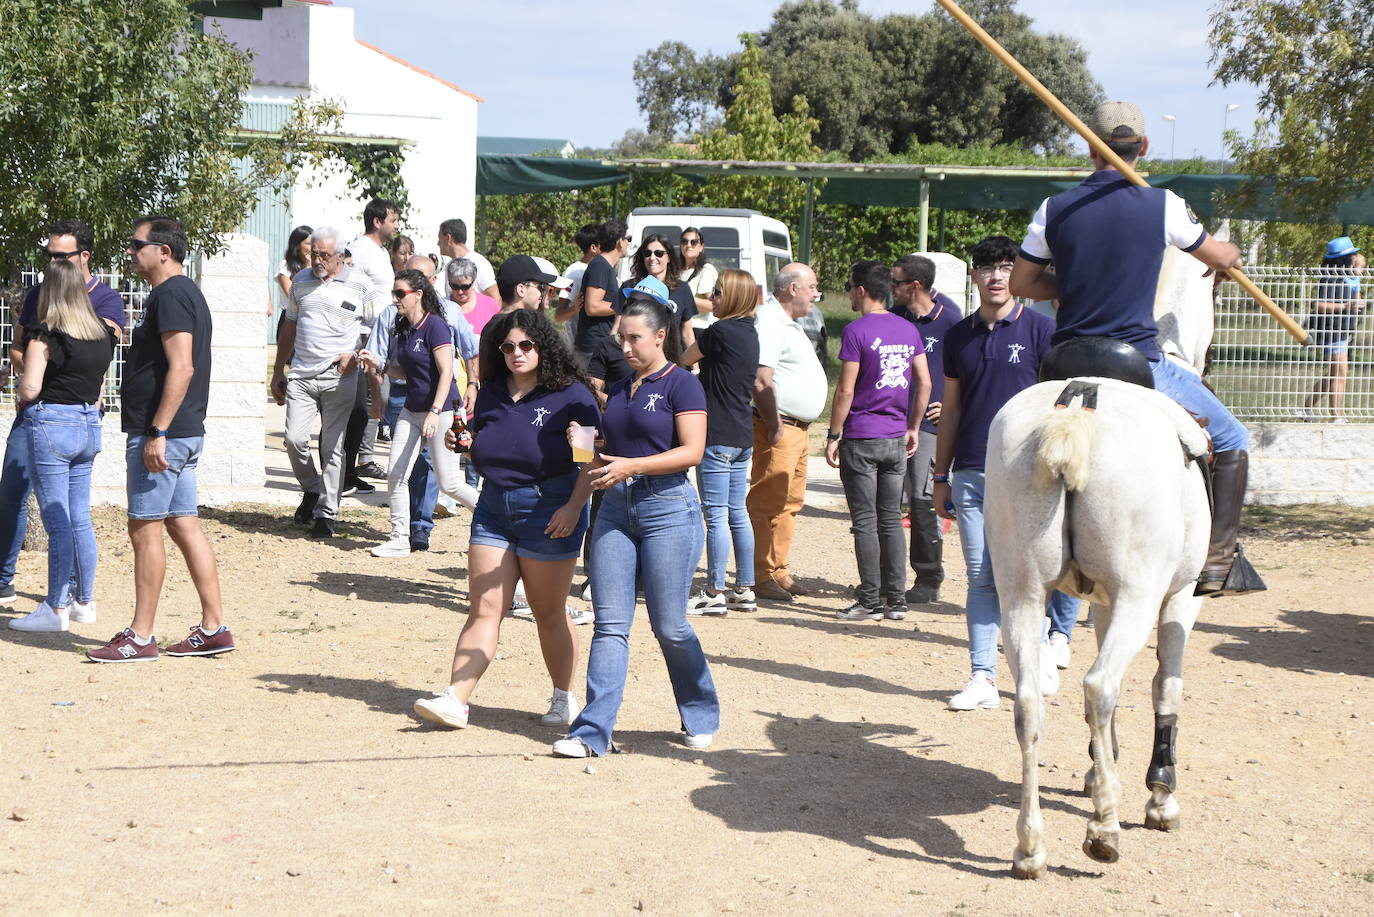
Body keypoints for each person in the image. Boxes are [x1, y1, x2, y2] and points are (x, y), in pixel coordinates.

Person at [1010, 100, 1259, 597]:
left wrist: (1070, 284)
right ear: (1143, 147)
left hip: (1066, 360)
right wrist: (1229, 255)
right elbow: (1215, 253)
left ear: (1089, 146)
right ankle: (1218, 560)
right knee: (1232, 439)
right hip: (1137, 361)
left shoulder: (1055, 208)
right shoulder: (1161, 203)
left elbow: (1021, 282)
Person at [413, 310, 599, 730]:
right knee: (484, 609)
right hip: (494, 506)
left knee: (547, 611)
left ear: (543, 346)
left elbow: (588, 461)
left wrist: (573, 507)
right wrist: (464, 443)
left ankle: (563, 698)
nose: (517, 353)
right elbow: (486, 442)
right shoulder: (494, 392)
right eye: (509, 347)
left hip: (550, 507)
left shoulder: (573, 396)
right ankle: (456, 699)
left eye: (526, 345)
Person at [551, 294, 719, 758]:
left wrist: (632, 467)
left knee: (670, 626)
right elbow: (599, 456)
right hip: (614, 512)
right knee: (610, 626)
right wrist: (580, 458)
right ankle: (591, 733)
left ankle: (700, 711)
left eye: (634, 338)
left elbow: (692, 453)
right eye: (621, 337)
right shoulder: (623, 388)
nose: (624, 346)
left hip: (669, 509)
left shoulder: (682, 384)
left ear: (661, 336)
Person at [933, 235, 1073, 707]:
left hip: (1027, 474)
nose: (996, 276)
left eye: (1005, 267)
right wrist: (940, 475)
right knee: (980, 577)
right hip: (972, 471)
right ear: (974, 276)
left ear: (1017, 275)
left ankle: (1035, 657)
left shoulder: (1040, 331)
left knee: (1029, 576)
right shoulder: (957, 336)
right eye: (987, 267)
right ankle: (982, 679)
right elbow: (950, 410)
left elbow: (1058, 408)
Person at [87, 215, 234, 662]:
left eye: (136, 245)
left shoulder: (171, 294)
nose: (130, 253)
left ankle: (141, 636)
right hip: (180, 433)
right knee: (181, 522)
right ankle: (214, 628)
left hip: (166, 435)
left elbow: (183, 366)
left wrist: (158, 431)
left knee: (144, 528)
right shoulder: (178, 293)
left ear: (163, 251)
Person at [1, 219, 126, 609]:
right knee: (12, 496)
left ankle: (68, 596)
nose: (51, 263)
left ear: (83, 257)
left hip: (71, 414)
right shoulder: (39, 293)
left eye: (61, 256)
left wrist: (46, 372)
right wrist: (30, 366)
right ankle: (6, 581)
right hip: (35, 412)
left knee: (66, 514)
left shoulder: (106, 300)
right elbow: (19, 349)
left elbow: (99, 354)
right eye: (48, 255)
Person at [824, 261, 931, 621]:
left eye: (851, 287)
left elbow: (845, 390)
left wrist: (833, 434)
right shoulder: (907, 329)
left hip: (861, 435)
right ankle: (896, 599)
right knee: (891, 518)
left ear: (861, 290)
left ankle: (870, 599)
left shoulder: (857, 331)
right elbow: (925, 383)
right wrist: (913, 426)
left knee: (865, 521)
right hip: (895, 437)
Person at [272, 227, 386, 538]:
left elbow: (378, 329)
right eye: (313, 254)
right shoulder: (301, 281)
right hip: (301, 375)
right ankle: (312, 488)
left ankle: (326, 514)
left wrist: (356, 354)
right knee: (294, 439)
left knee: (332, 447)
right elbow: (290, 326)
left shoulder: (361, 285)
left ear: (340, 257)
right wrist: (278, 370)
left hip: (340, 376)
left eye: (324, 255)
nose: (316, 260)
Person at [361, 269, 477, 558]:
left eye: (400, 293)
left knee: (450, 483)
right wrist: (380, 365)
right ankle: (399, 537)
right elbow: (406, 372)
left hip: (443, 411)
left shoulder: (436, 326)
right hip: (412, 411)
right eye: (394, 293)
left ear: (419, 294)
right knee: (396, 475)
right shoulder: (404, 327)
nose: (395, 298)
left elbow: (446, 371)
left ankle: (497, 516)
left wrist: (435, 412)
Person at [680, 268, 759, 615]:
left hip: (717, 434)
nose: (712, 298)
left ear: (733, 297)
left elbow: (684, 360)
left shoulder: (719, 331)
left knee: (715, 515)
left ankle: (714, 590)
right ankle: (745, 587)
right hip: (742, 433)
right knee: (737, 513)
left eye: (717, 292)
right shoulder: (750, 333)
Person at [748, 263, 828, 603]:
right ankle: (759, 573)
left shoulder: (789, 323)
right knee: (767, 500)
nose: (816, 294)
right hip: (779, 425)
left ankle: (777, 568)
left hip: (796, 428)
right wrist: (775, 424)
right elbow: (761, 378)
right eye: (812, 287)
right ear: (792, 289)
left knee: (789, 502)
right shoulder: (769, 320)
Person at [890, 254, 963, 604]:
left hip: (930, 427)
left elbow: (964, 371)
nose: (891, 288)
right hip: (889, 422)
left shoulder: (950, 321)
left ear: (915, 286)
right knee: (886, 503)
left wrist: (948, 403)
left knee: (922, 501)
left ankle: (928, 578)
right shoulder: (894, 317)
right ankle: (886, 579)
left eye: (896, 282)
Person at [345, 197, 401, 492]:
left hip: (380, 336)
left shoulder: (377, 252)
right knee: (362, 404)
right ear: (377, 221)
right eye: (393, 220)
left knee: (371, 403)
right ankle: (347, 470)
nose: (397, 225)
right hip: (366, 336)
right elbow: (350, 292)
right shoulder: (359, 250)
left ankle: (355, 465)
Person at [1299, 237, 1366, 423]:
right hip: (1331, 331)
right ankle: (1336, 415)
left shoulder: (1347, 277)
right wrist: (1345, 306)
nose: (1355, 258)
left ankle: (1306, 408)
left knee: (1336, 372)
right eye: (1352, 255)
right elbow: (1319, 304)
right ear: (1344, 259)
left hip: (1341, 331)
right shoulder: (1331, 277)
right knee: (1340, 372)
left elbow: (1353, 300)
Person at [621, 233, 698, 350]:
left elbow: (687, 331)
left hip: (671, 359)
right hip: (636, 356)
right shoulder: (630, 287)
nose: (652, 258)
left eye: (659, 253)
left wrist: (695, 367)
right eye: (647, 253)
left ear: (669, 257)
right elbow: (618, 326)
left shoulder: (682, 288)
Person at [573, 219, 630, 361]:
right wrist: (625, 304)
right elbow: (592, 307)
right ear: (619, 242)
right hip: (593, 349)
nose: (629, 243)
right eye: (628, 239)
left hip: (599, 346)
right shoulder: (600, 266)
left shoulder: (604, 266)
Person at [554, 223, 601, 339]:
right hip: (579, 345)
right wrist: (575, 308)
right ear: (593, 248)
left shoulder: (604, 269)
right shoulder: (573, 272)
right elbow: (558, 315)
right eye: (605, 242)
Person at [437, 218, 498, 299]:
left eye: (439, 238)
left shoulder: (479, 263)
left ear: (448, 238)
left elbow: (495, 299)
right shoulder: (449, 265)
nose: (438, 243)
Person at [679, 226, 720, 331]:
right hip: (675, 326)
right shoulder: (674, 270)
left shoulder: (706, 270)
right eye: (684, 241)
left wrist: (682, 298)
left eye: (693, 242)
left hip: (697, 328)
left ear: (701, 247)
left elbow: (712, 305)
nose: (688, 245)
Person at [274, 225, 312, 319]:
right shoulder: (286, 266)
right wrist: (307, 268)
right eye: (308, 243)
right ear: (297, 245)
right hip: (291, 318)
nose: (313, 247)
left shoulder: (317, 267)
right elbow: (291, 295)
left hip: (310, 318)